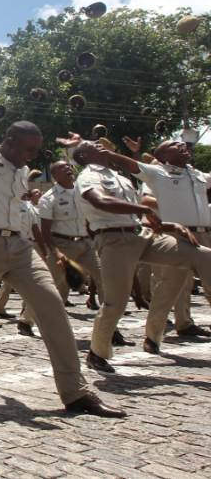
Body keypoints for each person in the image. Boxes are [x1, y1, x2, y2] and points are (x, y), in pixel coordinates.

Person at [0, 93, 122, 417]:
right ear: (10, 140)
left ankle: (76, 391)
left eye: (35, 150)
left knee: (52, 305)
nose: (32, 155)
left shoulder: (21, 169)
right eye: (28, 148)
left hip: (18, 246)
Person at [71, 138, 211, 368]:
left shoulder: (118, 176)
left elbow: (137, 215)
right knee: (115, 303)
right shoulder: (88, 175)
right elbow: (100, 200)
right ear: (84, 156)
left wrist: (169, 226)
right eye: (90, 145)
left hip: (141, 234)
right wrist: (143, 208)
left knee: (203, 255)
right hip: (115, 240)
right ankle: (97, 352)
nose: (98, 144)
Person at [123, 136, 211, 343]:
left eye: (182, 144)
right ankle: (162, 332)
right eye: (174, 145)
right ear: (162, 158)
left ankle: (183, 323)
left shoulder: (195, 174)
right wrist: (172, 200)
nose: (182, 145)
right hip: (175, 233)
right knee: (173, 286)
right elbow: (144, 198)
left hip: (202, 233)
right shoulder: (159, 175)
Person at [36, 160, 105, 311]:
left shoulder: (83, 193)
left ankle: (109, 322)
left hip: (86, 244)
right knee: (51, 284)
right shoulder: (48, 198)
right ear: (55, 175)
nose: (68, 168)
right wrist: (56, 252)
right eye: (62, 167)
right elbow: (45, 231)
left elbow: (89, 218)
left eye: (68, 165)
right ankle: (27, 320)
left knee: (103, 277)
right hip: (62, 245)